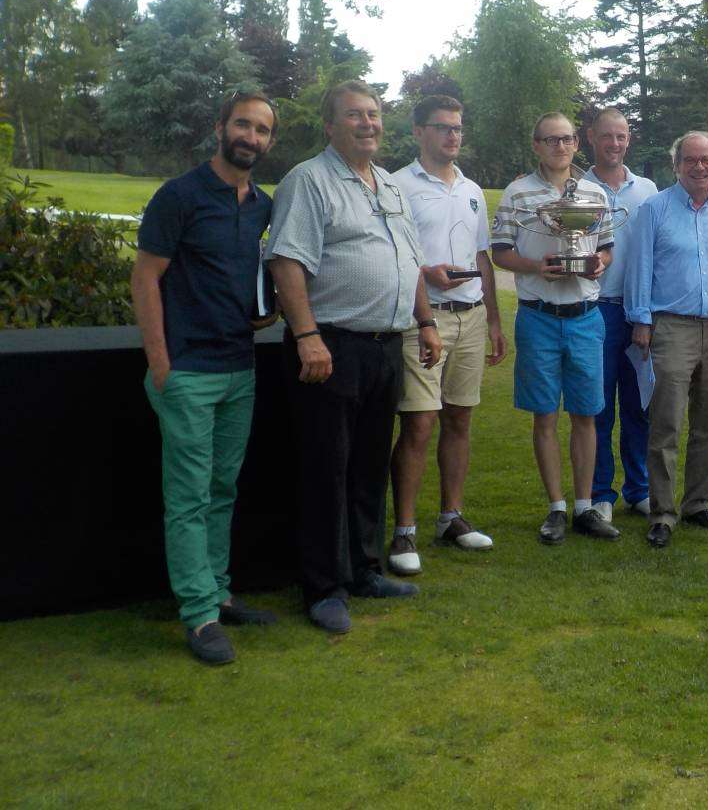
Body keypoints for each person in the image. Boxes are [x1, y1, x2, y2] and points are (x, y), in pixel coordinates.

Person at [266, 80, 443, 634]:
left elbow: (406, 258)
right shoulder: (309, 181)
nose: (368, 123)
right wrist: (306, 335)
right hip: (331, 347)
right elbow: (286, 263)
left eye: (373, 114)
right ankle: (324, 587)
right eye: (354, 116)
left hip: (385, 347)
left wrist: (426, 320)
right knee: (326, 468)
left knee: (368, 465)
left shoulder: (388, 185)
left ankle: (363, 568)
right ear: (330, 126)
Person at [132, 92, 280, 665]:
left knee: (222, 490)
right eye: (242, 123)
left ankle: (218, 592)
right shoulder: (180, 195)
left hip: (238, 368)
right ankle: (198, 615)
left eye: (262, 129)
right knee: (190, 498)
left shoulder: (263, 205)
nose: (251, 135)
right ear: (221, 127)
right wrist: (161, 364)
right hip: (188, 373)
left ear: (268, 142)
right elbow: (145, 280)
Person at [387, 95, 507, 576]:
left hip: (471, 316)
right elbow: (395, 256)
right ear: (419, 132)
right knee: (419, 422)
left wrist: (495, 320)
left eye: (458, 128)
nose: (453, 136)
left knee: (460, 418)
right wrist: (425, 275)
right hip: (425, 318)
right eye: (442, 128)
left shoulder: (472, 189)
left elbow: (483, 260)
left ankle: (451, 517)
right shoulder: (397, 186)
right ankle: (404, 529)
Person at [491, 112, 622, 545]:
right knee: (545, 416)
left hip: (585, 317)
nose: (559, 147)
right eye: (550, 140)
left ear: (575, 144)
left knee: (587, 414)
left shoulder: (592, 192)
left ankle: (585, 506)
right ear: (536, 145)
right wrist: (537, 267)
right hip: (539, 316)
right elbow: (500, 252)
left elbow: (606, 247)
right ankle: (556, 508)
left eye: (565, 139)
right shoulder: (517, 192)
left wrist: (597, 263)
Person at [625, 131, 708, 549]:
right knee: (667, 421)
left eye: (707, 160)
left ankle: (697, 504)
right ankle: (663, 512)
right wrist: (641, 320)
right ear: (677, 164)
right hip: (669, 325)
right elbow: (640, 266)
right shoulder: (655, 209)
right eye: (691, 159)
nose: (700, 167)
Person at [582, 108, 659, 522]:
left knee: (638, 406)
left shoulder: (647, 190)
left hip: (638, 314)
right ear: (591, 137)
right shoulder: (576, 189)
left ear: (629, 139)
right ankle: (600, 494)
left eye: (622, 136)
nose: (614, 143)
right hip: (594, 310)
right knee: (597, 407)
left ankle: (639, 488)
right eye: (607, 136)